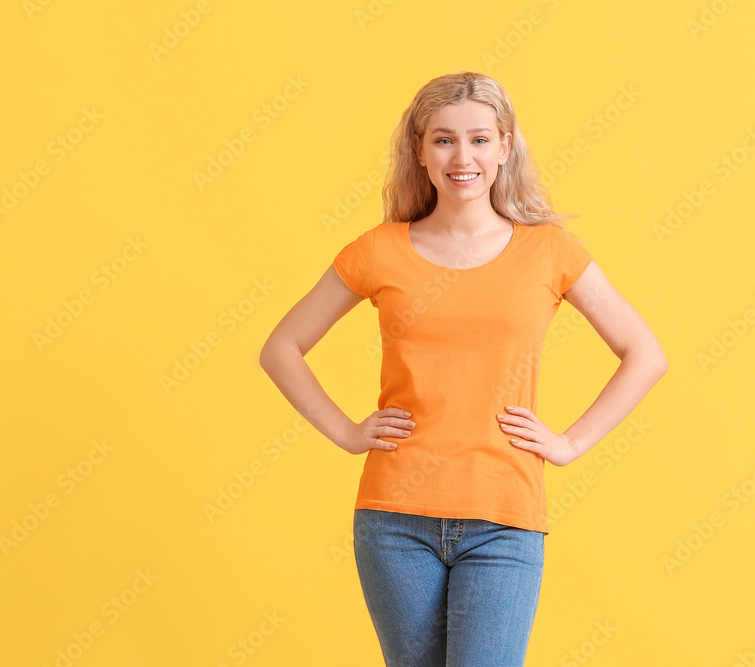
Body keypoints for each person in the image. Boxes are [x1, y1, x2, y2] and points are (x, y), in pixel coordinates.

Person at [258, 71, 668, 666]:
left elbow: (645, 354)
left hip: (504, 518)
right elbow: (282, 348)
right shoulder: (378, 250)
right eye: (444, 139)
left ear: (505, 146)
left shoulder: (549, 251)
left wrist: (570, 442)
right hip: (394, 521)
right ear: (420, 150)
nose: (462, 156)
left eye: (479, 139)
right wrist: (348, 433)